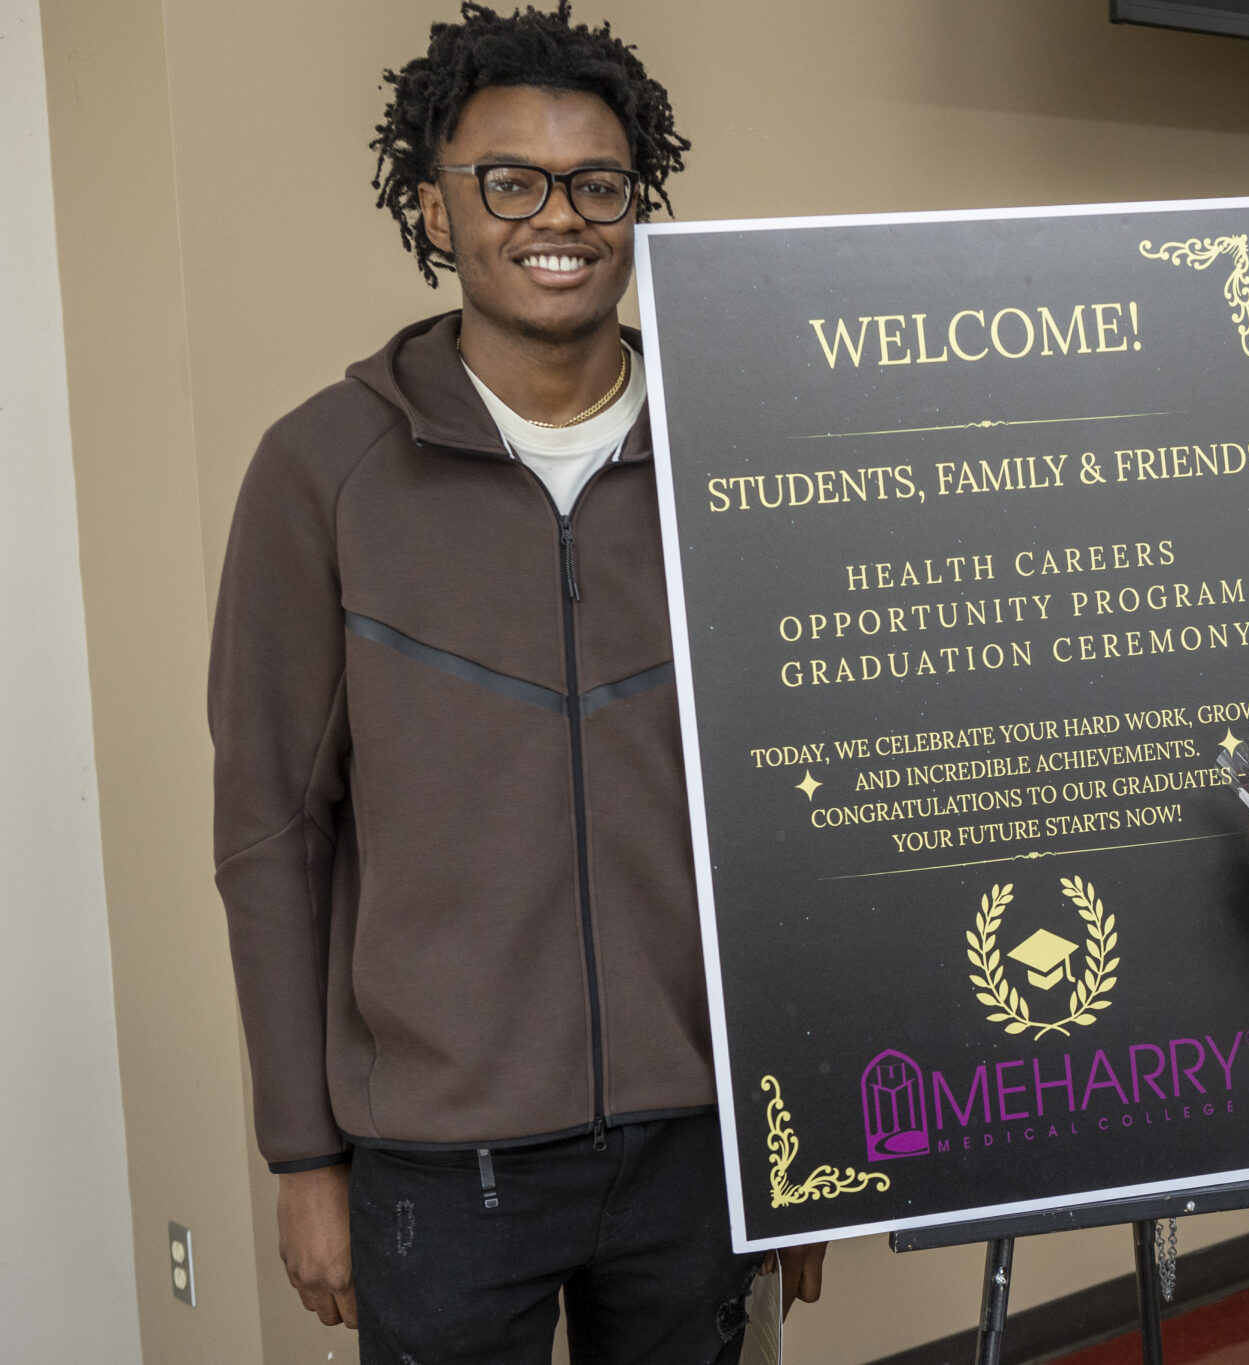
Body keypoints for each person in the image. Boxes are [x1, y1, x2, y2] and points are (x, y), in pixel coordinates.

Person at [209, 6, 823, 1360]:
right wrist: (300, 1159)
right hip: (440, 1161)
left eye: (598, 184)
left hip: (702, 1139)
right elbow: (269, 835)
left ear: (636, 207)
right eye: (511, 181)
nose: (561, 217)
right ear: (436, 208)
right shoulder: (321, 470)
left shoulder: (748, 453)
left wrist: (804, 1132)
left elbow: (803, 805)